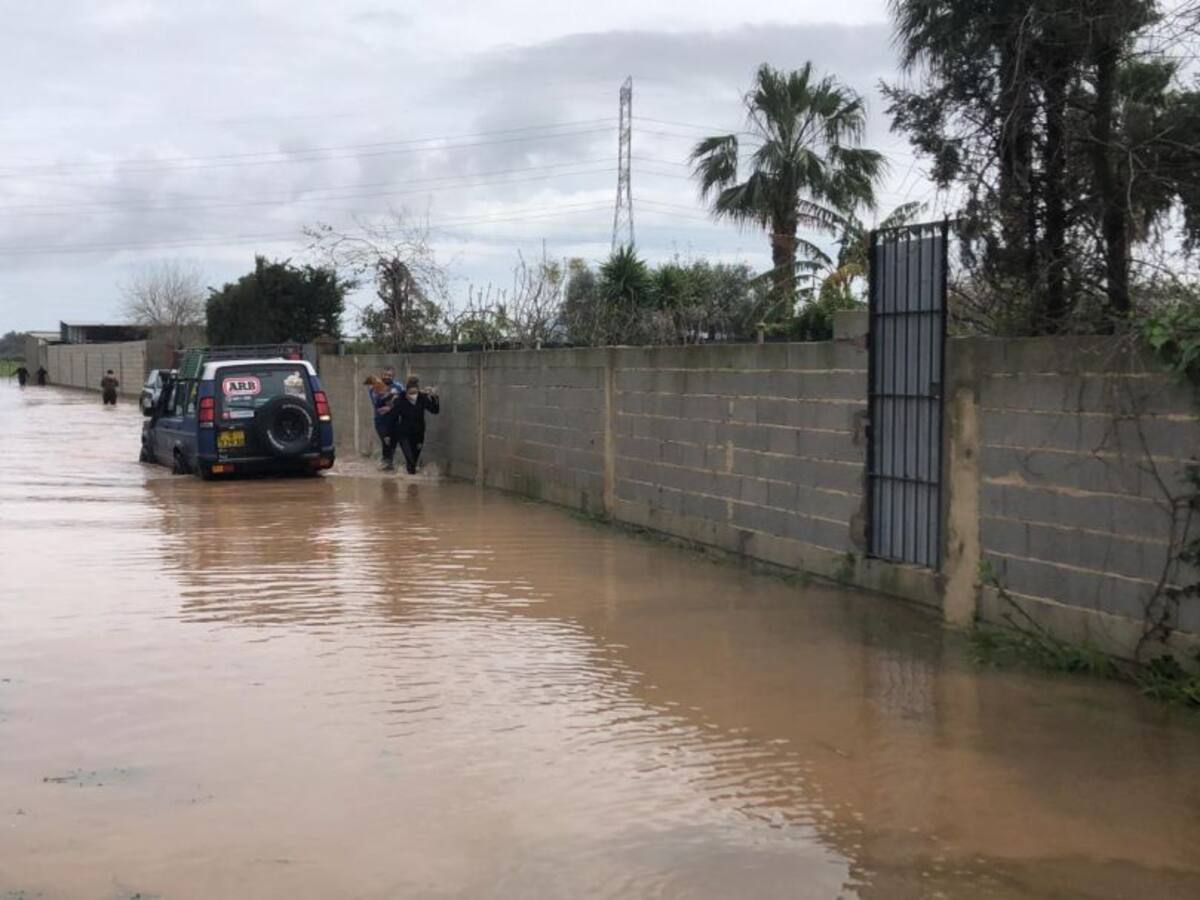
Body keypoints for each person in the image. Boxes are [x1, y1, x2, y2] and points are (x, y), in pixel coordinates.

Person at [389, 375, 439, 475]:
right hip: (403, 434)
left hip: (418, 433)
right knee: (410, 459)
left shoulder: (422, 397)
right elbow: (393, 416)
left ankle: (410, 480)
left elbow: (435, 410)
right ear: (407, 390)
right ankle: (411, 484)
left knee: (413, 461)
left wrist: (435, 397)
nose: (413, 395)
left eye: (415, 392)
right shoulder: (400, 398)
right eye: (410, 392)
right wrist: (389, 434)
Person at [363, 374, 398, 471]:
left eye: (376, 383)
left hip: (391, 420)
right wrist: (390, 396)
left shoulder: (393, 387)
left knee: (391, 442)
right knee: (386, 441)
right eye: (373, 384)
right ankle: (387, 462)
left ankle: (388, 462)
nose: (375, 386)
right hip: (381, 420)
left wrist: (391, 403)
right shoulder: (374, 392)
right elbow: (379, 404)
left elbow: (398, 399)